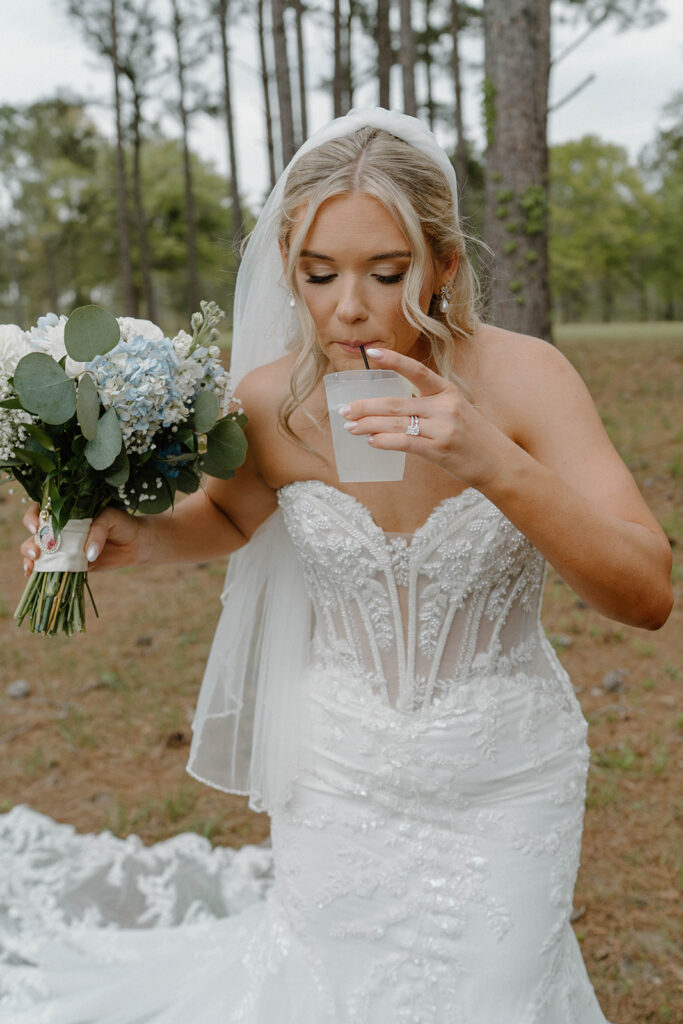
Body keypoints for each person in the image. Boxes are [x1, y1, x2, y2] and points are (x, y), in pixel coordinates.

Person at [3, 108, 672, 1023]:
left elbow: (645, 593)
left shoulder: (529, 380)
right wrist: (130, 538)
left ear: (442, 265)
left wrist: (494, 463)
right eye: (318, 275)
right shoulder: (269, 399)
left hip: (505, 775)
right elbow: (234, 516)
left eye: (385, 272)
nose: (348, 305)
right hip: (337, 768)